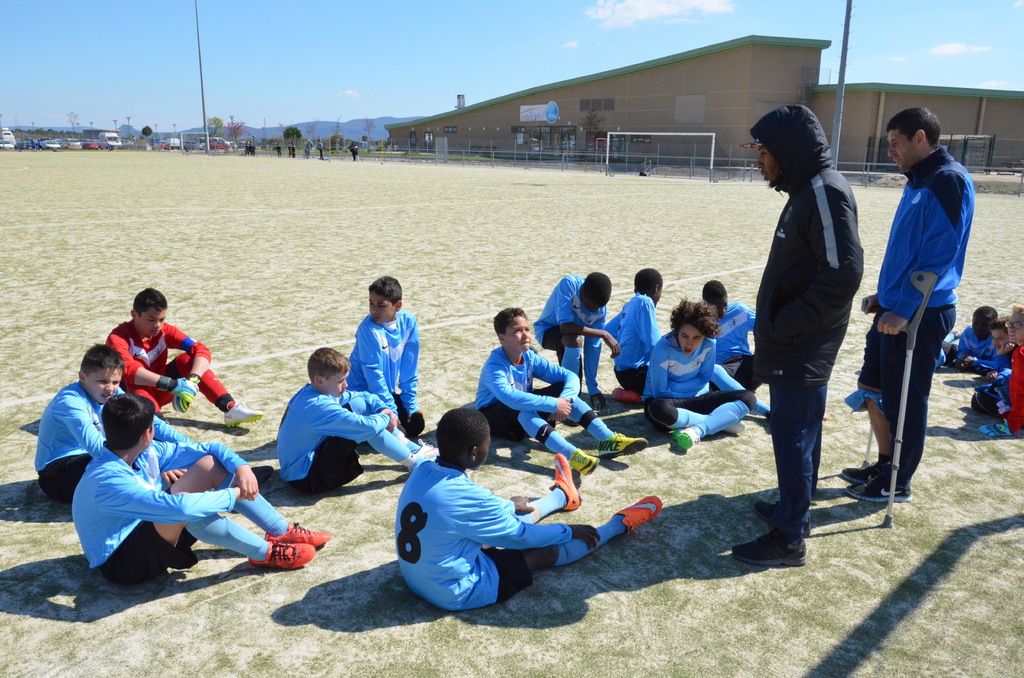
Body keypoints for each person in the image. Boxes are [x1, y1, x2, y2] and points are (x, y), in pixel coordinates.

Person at [731, 104, 863, 567]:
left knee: (793, 436)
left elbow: (843, 276)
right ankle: (794, 511)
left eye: (765, 153)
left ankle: (789, 538)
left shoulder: (825, 192)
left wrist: (785, 324)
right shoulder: (808, 190)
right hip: (794, 340)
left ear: (788, 151)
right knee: (797, 435)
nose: (759, 162)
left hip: (802, 343)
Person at [394, 407, 662, 611]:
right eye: (488, 444)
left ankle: (562, 496)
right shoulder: (470, 497)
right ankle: (618, 525)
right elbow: (521, 537)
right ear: (475, 452)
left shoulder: (422, 469)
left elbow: (474, 511)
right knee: (540, 551)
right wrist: (569, 530)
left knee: (502, 519)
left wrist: (509, 505)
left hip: (418, 577)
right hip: (455, 591)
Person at [841, 107, 974, 503]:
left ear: (920, 137)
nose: (890, 152)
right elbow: (908, 250)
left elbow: (938, 253)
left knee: (905, 400)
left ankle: (899, 480)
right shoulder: (918, 180)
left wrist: (904, 308)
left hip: (921, 313)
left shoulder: (948, 179)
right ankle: (886, 463)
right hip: (896, 307)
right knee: (871, 386)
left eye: (895, 143)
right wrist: (886, 297)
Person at [72, 394, 331, 584]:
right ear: (147, 434)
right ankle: (264, 553)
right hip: (122, 563)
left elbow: (210, 450)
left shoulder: (142, 451)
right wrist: (233, 494)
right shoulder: (107, 480)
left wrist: (242, 468)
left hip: (146, 530)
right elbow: (180, 508)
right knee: (185, 507)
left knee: (210, 465)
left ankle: (280, 530)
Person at [476, 307, 648, 476]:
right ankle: (572, 455)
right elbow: (509, 397)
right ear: (502, 338)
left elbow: (569, 376)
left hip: (519, 414)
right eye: (517, 331)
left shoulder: (529, 357)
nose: (525, 334)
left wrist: (564, 401)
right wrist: (553, 404)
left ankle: (608, 439)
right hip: (493, 419)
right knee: (522, 406)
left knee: (560, 388)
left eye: (526, 329)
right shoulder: (494, 366)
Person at [35, 345, 194, 503]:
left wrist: (192, 448)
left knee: (147, 437)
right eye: (102, 381)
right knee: (121, 459)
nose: (110, 389)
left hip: (95, 458)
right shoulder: (70, 402)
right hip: (57, 474)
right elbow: (97, 449)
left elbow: (152, 423)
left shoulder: (112, 392)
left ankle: (159, 487)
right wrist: (156, 463)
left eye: (116, 382)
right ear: (82, 377)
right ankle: (156, 495)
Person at [277, 348, 438, 495]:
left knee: (359, 405)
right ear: (319, 380)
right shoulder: (317, 406)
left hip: (306, 465)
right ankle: (418, 465)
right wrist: (387, 416)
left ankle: (415, 451)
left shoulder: (317, 391)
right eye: (340, 381)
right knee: (366, 427)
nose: (346, 385)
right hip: (305, 479)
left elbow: (361, 396)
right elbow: (367, 427)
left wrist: (383, 408)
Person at [106, 288, 263, 428]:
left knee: (187, 360)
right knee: (134, 380)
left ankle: (230, 408)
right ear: (135, 315)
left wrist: (192, 381)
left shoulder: (165, 331)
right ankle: (159, 426)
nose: (158, 325)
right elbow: (129, 371)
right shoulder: (117, 338)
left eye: (162, 319)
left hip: (159, 390)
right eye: (151, 320)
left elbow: (201, 349)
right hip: (130, 398)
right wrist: (172, 385)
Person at [642, 299, 766, 451]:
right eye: (684, 335)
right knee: (658, 410)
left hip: (697, 398)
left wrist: (675, 386)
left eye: (697, 337)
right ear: (677, 330)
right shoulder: (663, 349)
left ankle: (698, 430)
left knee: (748, 398)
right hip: (668, 402)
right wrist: (691, 387)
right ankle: (719, 422)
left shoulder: (710, 344)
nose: (689, 343)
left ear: (705, 335)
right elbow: (660, 392)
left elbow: (705, 378)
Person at [347, 276, 425, 438]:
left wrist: (410, 404)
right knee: (399, 433)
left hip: (382, 394)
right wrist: (392, 412)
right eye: (371, 303)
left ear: (398, 306)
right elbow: (374, 378)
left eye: (381, 305)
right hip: (360, 396)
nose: (374, 310)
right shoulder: (368, 330)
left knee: (416, 425)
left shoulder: (408, 322)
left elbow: (409, 366)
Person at [533, 272, 617, 411]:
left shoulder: (600, 309)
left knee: (574, 343)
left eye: (597, 308)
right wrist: (604, 334)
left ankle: (567, 394)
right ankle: (569, 401)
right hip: (547, 331)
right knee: (574, 341)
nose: (593, 311)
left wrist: (593, 388)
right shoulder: (569, 284)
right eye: (590, 306)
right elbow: (565, 327)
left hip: (571, 337)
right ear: (582, 291)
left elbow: (593, 348)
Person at [604, 268, 663, 404]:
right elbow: (654, 345)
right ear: (656, 289)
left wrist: (623, 350)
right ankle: (642, 396)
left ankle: (634, 393)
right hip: (637, 375)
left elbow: (608, 331)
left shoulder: (629, 305)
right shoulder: (645, 302)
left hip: (622, 374)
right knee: (679, 380)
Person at [701, 280, 759, 391]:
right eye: (716, 307)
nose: (722, 311)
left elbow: (765, 329)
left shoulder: (741, 312)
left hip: (742, 363)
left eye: (725, 305)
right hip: (719, 370)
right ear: (706, 304)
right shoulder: (698, 321)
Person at [945, 306, 1001, 374]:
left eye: (984, 325)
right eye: (975, 323)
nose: (978, 327)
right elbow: (962, 351)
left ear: (993, 326)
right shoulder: (968, 332)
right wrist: (962, 360)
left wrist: (975, 361)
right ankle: (954, 335)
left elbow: (998, 363)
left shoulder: (997, 340)